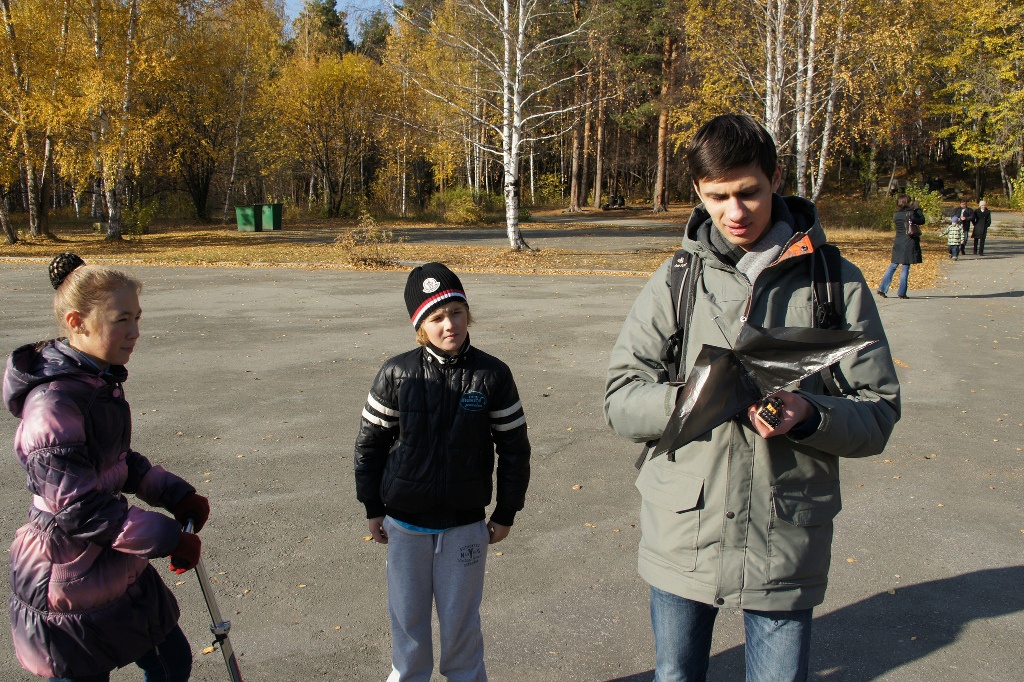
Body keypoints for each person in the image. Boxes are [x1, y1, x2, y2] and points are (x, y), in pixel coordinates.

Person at [604, 115, 900, 682]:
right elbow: (620, 398)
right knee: (675, 674)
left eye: (749, 193)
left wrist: (810, 415)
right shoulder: (677, 281)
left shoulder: (837, 284)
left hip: (784, 533)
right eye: (718, 197)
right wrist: (696, 400)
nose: (735, 213)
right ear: (697, 192)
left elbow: (879, 411)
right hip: (683, 528)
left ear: (776, 179)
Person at [2, 253, 210, 682]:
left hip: (114, 560)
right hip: (67, 572)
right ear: (77, 322)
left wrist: (174, 493)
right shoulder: (53, 404)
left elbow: (115, 461)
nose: (135, 333)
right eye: (121, 320)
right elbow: (77, 506)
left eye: (137, 318)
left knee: (171, 662)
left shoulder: (96, 382)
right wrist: (167, 536)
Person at [354, 262, 531, 682]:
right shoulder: (397, 373)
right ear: (419, 325)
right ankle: (407, 674)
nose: (449, 325)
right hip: (405, 524)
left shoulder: (493, 375)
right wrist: (372, 507)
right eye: (436, 317)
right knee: (408, 621)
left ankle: (465, 675)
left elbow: (514, 448)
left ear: (468, 313)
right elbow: (369, 445)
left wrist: (506, 511)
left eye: (456, 312)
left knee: (461, 623)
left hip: (464, 526)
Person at [877, 194, 926, 299]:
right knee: (905, 267)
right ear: (907, 202)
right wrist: (917, 208)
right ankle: (902, 292)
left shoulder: (896, 214)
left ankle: (882, 289)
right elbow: (921, 220)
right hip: (909, 241)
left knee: (893, 265)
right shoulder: (911, 213)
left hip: (898, 241)